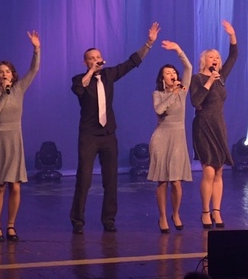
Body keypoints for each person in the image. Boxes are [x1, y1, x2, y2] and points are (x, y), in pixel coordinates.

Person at [71, 23, 159, 234]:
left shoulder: (109, 75)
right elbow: (80, 90)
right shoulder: (79, 79)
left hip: (108, 134)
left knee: (110, 180)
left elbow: (131, 62)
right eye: (91, 58)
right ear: (85, 62)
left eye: (98, 57)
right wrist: (91, 71)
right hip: (89, 135)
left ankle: (109, 220)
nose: (96, 60)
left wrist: (149, 43)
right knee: (84, 179)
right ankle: (78, 221)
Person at [0, 31, 41, 242]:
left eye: (7, 71)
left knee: (15, 185)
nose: (4, 74)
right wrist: (4, 93)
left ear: (13, 75)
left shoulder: (19, 89)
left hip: (14, 139)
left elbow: (34, 70)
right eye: (0, 72)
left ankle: (11, 225)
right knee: (0, 185)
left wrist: (36, 49)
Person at [190, 20, 238, 230]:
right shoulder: (198, 78)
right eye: (212, 57)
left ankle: (217, 210)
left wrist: (232, 35)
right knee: (208, 171)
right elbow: (195, 102)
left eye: (217, 57)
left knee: (218, 171)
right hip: (203, 127)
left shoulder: (222, 77)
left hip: (219, 126)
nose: (216, 60)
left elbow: (233, 56)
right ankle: (205, 211)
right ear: (204, 61)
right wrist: (209, 82)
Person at [146, 40, 193, 233]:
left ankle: (176, 213)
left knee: (176, 181)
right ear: (162, 78)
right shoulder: (158, 94)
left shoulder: (183, 91)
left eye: (174, 72)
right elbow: (160, 110)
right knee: (163, 180)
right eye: (168, 73)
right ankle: (163, 217)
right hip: (161, 138)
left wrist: (178, 49)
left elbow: (188, 68)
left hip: (178, 139)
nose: (172, 74)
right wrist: (172, 93)